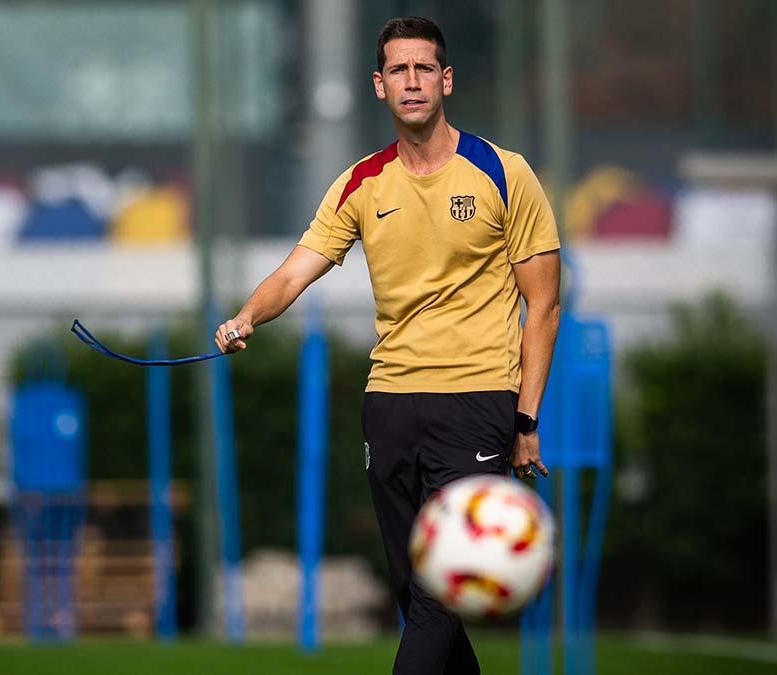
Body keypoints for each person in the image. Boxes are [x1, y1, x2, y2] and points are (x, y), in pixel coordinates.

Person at [214, 15, 562, 675]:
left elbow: (542, 304)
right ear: (379, 85)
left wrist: (526, 417)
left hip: (477, 400)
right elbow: (295, 269)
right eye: (399, 70)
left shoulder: (504, 173)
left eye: (424, 68)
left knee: (440, 589)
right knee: (418, 588)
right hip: (391, 405)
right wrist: (247, 316)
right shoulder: (361, 182)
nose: (412, 81)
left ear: (446, 79)